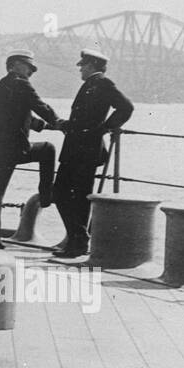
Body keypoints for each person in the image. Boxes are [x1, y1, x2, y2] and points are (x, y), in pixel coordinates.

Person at [51, 47, 134, 258]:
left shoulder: (104, 84)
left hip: (86, 150)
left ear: (91, 66)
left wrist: (104, 128)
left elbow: (126, 107)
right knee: (63, 193)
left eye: (82, 66)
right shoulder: (90, 85)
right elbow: (83, 118)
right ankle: (77, 238)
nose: (80, 69)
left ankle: (78, 242)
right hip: (76, 149)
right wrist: (68, 125)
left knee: (75, 196)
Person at [0, 50, 58, 249]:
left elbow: (20, 116)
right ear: (14, 64)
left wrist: (42, 126)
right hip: (16, 149)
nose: (31, 71)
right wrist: (58, 123)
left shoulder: (0, 85)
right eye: (28, 67)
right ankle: (46, 194)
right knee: (48, 149)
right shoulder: (22, 84)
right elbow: (41, 107)